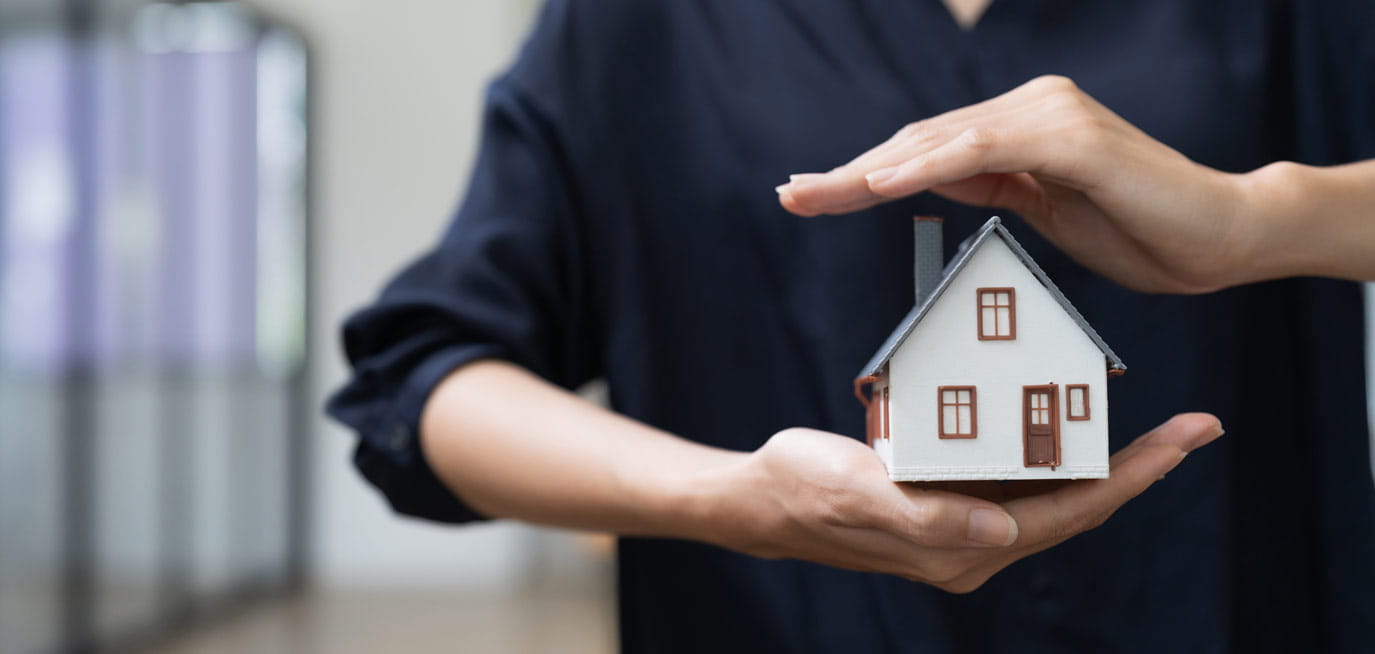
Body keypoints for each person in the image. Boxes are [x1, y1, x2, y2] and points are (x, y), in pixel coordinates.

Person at [327, 1, 1375, 651]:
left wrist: (1251, 220)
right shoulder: (633, 22)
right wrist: (731, 499)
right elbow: (422, 383)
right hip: (768, 627)